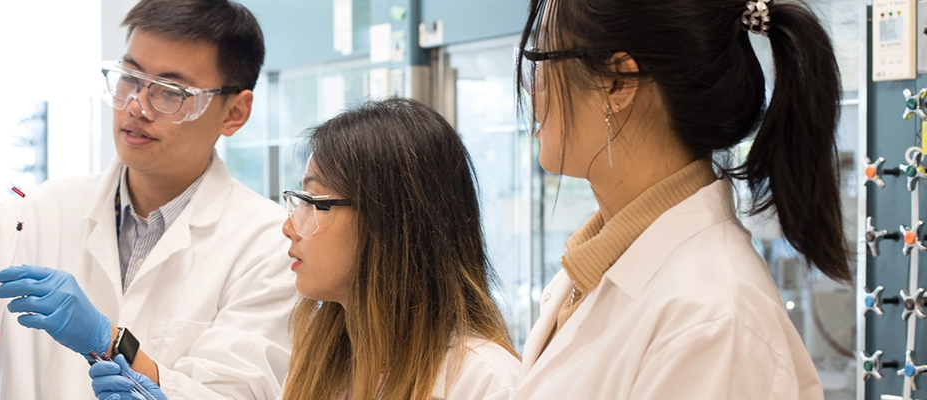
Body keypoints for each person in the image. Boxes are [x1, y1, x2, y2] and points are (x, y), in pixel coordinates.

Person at [0, 0, 298, 398]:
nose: (136, 106)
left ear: (234, 112)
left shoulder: (269, 248)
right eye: (130, 78)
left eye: (170, 92)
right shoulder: (38, 215)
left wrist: (113, 343)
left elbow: (237, 391)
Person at [511, 0, 843, 397]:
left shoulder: (715, 323)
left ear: (618, 82)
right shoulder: (600, 264)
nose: (533, 88)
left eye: (541, 60)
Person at [89, 99, 523, 400]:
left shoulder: (485, 381)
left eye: (315, 203)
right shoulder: (325, 363)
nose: (289, 227)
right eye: (297, 202)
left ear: (393, 222)